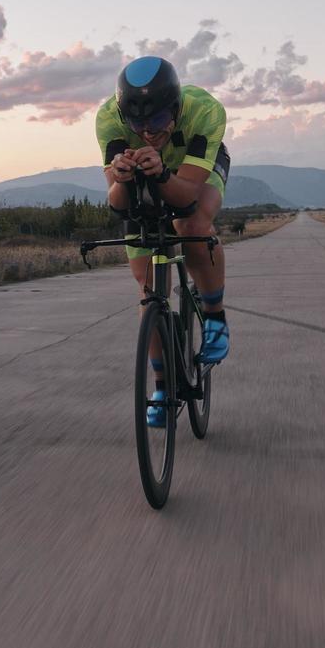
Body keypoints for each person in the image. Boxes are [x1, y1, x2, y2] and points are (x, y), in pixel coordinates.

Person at [96, 55, 229, 426]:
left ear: (175, 108)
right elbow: (118, 205)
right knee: (147, 285)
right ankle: (160, 384)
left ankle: (215, 317)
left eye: (156, 121)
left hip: (191, 169)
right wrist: (121, 180)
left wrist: (162, 172)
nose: (147, 132)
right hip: (142, 173)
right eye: (137, 124)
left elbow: (186, 196)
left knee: (191, 225)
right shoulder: (109, 118)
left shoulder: (205, 111)